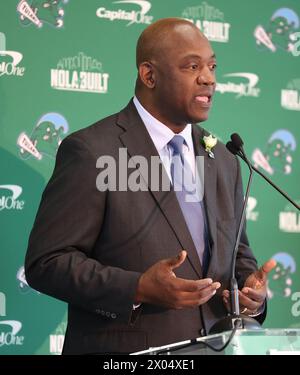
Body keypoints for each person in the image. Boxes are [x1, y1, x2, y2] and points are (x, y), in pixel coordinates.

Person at [25, 18, 276, 355]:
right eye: (192, 66)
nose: (209, 78)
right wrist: (137, 288)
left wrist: (250, 296)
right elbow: (47, 262)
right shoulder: (92, 151)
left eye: (212, 66)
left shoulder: (225, 158)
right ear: (149, 75)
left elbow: (238, 255)